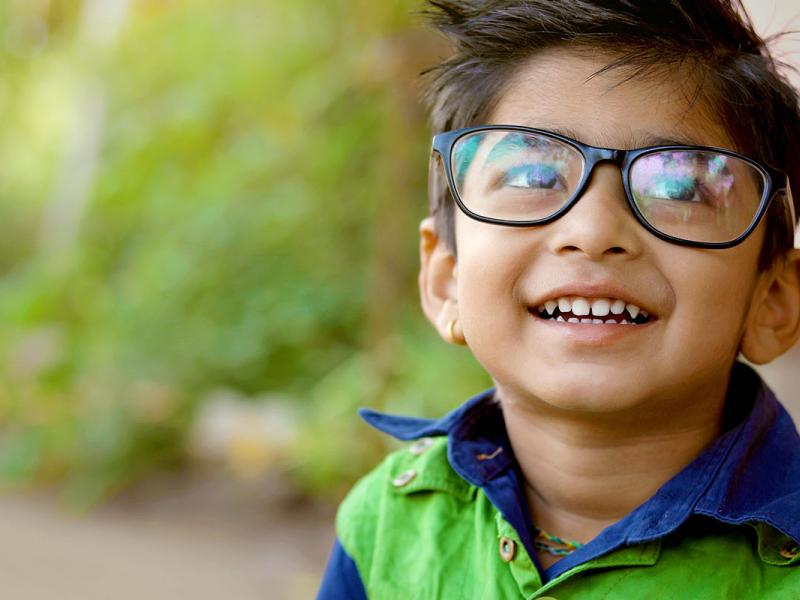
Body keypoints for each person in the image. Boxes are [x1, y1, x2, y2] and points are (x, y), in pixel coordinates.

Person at [316, 1, 800, 597]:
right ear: (445, 280)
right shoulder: (386, 527)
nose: (594, 231)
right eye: (531, 177)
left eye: (678, 185)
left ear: (773, 299)